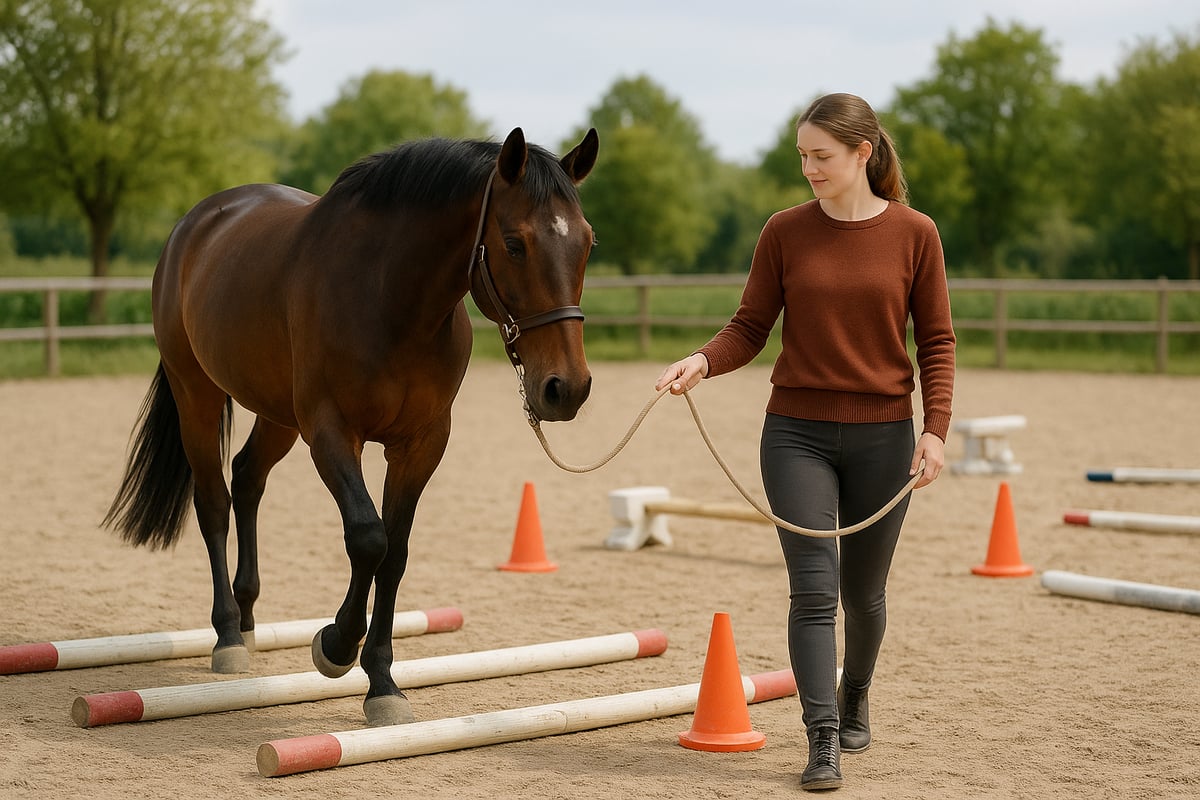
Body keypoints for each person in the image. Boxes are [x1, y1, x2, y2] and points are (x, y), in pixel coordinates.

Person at [656, 92, 955, 792]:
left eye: (821, 156)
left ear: (862, 153)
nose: (809, 169)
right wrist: (702, 360)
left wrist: (935, 430)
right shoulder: (784, 231)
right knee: (814, 592)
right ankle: (822, 738)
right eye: (802, 156)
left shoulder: (916, 233)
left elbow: (937, 341)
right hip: (795, 435)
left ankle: (856, 695)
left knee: (864, 595)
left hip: (886, 436)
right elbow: (749, 326)